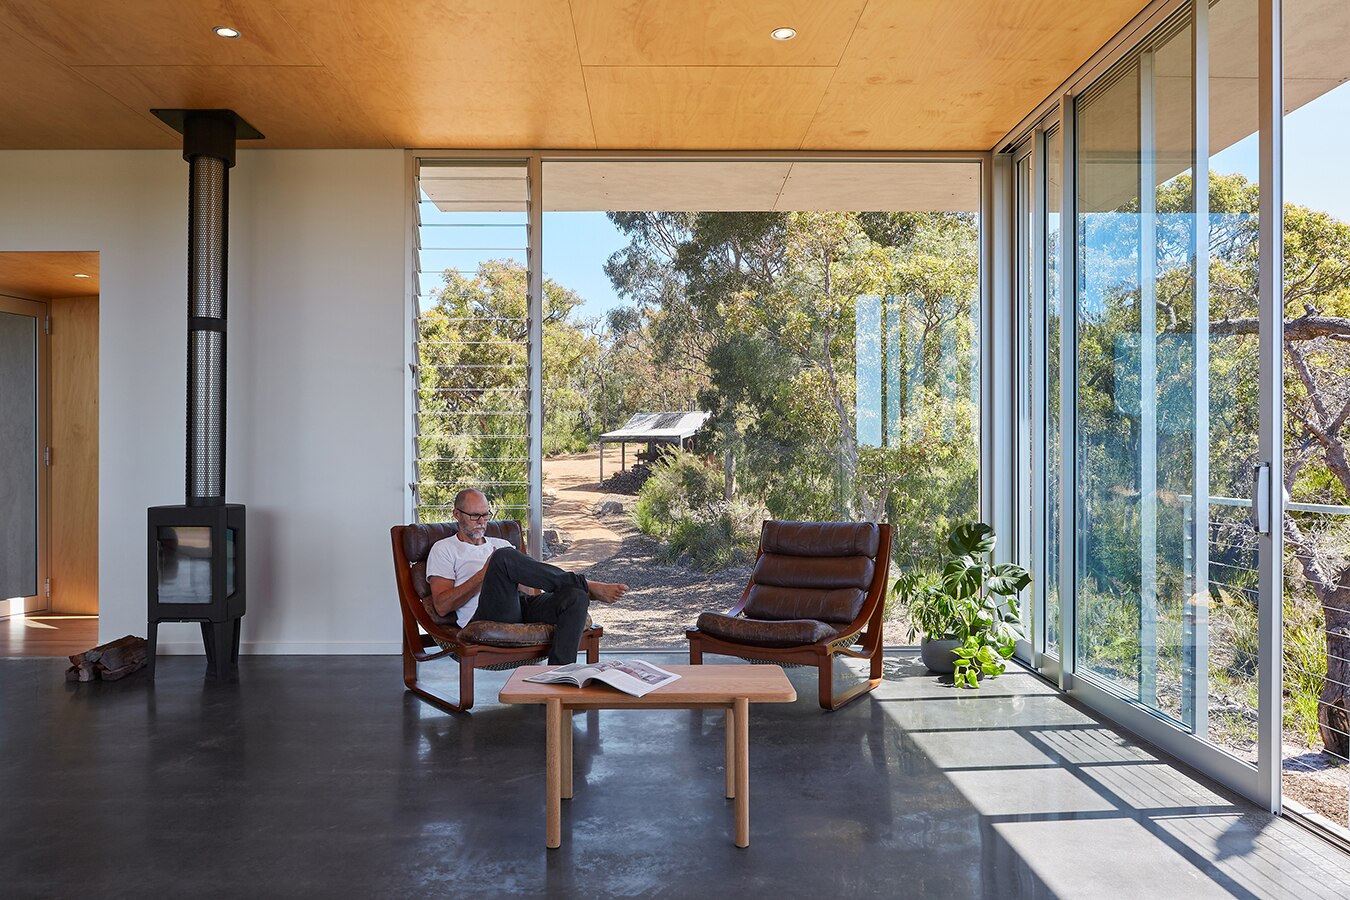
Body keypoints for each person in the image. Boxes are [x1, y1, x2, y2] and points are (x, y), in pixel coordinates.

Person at [425, 488, 628, 665]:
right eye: (475, 516)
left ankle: (558, 676)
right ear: (457, 514)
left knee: (575, 596)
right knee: (503, 558)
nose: (482, 522)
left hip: (519, 606)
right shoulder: (444, 549)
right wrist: (484, 574)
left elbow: (531, 592)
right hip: (484, 616)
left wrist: (519, 577)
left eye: (486, 515)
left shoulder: (502, 543)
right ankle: (586, 584)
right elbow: (442, 606)